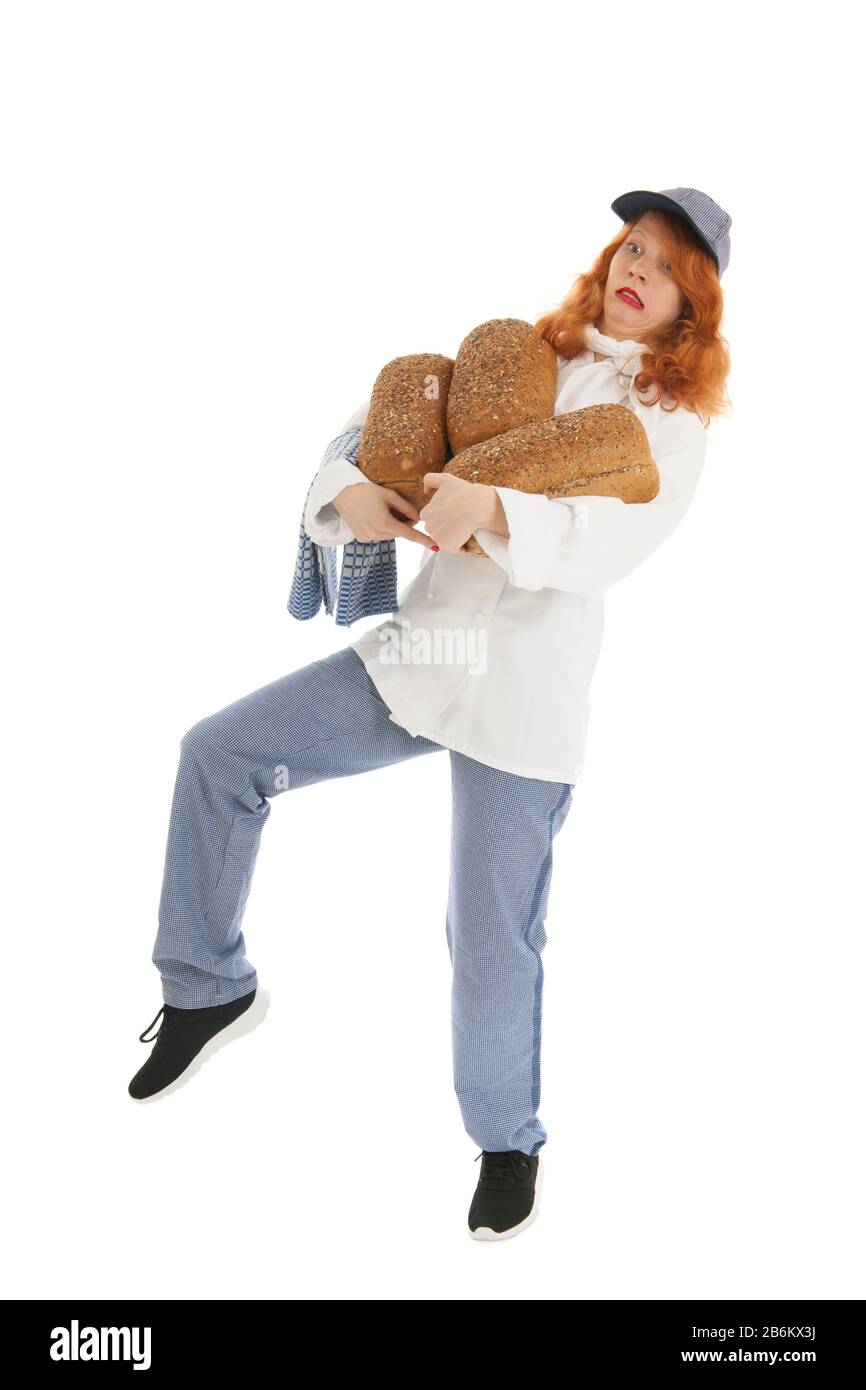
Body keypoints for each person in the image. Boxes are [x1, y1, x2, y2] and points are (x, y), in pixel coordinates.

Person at [129, 186, 732, 1242]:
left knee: (490, 936)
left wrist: (494, 503)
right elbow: (365, 440)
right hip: (426, 653)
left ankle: (505, 1140)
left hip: (524, 693)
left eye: (667, 265)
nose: (637, 267)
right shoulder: (519, 357)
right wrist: (343, 491)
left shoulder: (668, 426)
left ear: (693, 305)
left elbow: (610, 544)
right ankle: (205, 986)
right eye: (630, 246)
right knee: (218, 755)